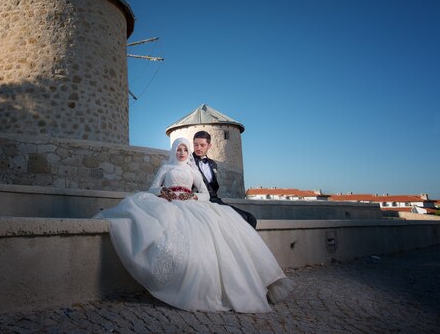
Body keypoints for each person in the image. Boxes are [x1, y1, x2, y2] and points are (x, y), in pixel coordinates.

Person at [94, 137, 293, 313]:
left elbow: (206, 193)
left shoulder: (192, 169)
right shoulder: (166, 168)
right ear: (173, 151)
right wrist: (163, 191)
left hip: (191, 204)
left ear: (189, 153)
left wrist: (193, 195)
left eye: (185, 150)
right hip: (168, 202)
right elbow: (152, 187)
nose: (182, 153)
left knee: (220, 229)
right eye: (179, 149)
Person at [192, 130, 258, 229]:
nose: (198, 148)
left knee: (251, 218)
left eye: (202, 145)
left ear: (209, 146)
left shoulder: (212, 164)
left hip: (215, 200)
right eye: (196, 145)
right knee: (241, 218)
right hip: (200, 202)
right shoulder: (189, 161)